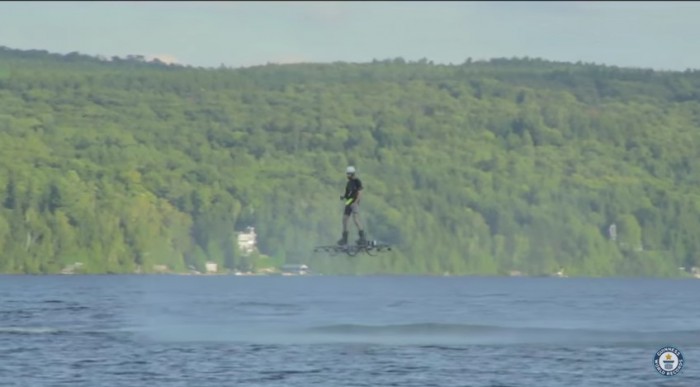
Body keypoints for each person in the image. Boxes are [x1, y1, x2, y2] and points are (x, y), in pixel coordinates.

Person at [337, 165, 366, 246]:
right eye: (347, 174)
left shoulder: (357, 181)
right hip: (349, 202)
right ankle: (344, 239)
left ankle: (362, 238)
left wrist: (356, 202)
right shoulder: (348, 183)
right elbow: (347, 194)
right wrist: (343, 197)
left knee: (355, 219)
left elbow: (360, 193)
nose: (347, 176)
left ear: (352, 174)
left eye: (349, 174)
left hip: (354, 202)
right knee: (344, 219)